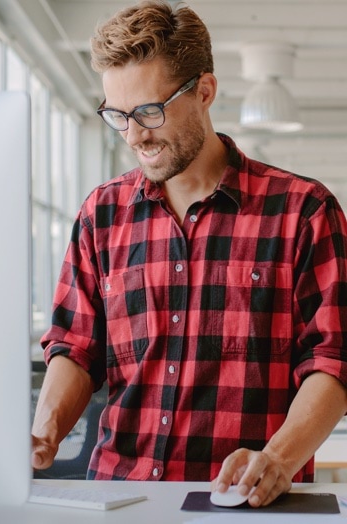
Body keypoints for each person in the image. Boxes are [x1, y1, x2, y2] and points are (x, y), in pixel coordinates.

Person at [32, 0, 347, 507]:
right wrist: (43, 431)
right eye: (118, 115)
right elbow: (75, 347)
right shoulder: (101, 214)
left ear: (204, 91)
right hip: (116, 499)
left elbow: (331, 363)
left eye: (149, 112)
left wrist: (279, 458)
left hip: (244, 504)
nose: (134, 135)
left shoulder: (303, 212)